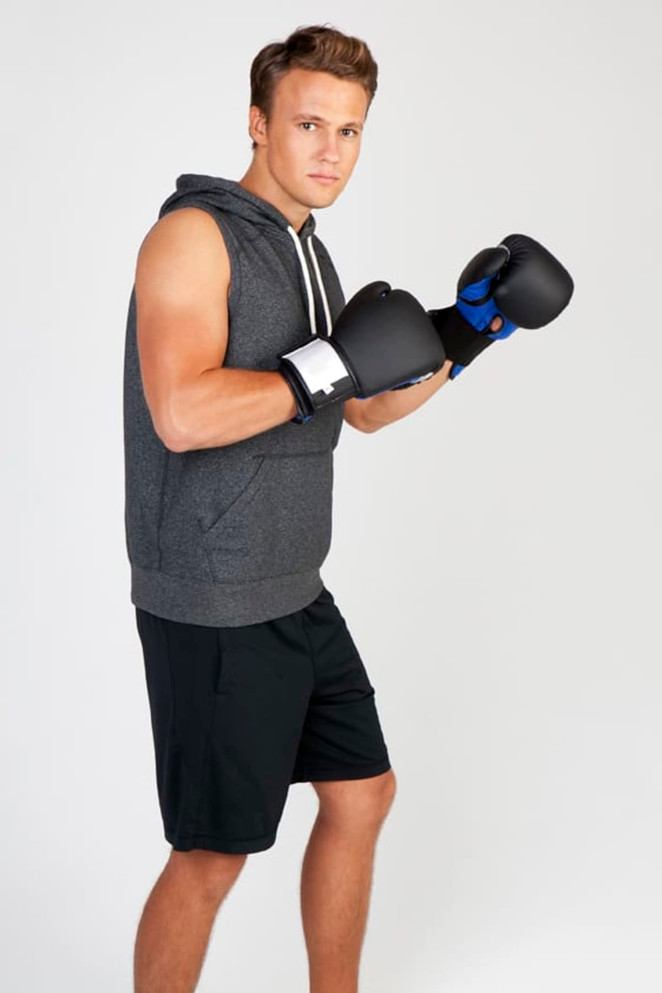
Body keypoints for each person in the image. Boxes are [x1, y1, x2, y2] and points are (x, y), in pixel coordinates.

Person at [123, 23, 573, 993]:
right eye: (308, 124)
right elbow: (180, 410)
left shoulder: (306, 251)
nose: (330, 150)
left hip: (293, 588)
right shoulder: (190, 239)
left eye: (351, 130)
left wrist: (472, 329)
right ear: (257, 123)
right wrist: (324, 364)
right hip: (213, 602)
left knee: (362, 795)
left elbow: (360, 407)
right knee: (211, 855)